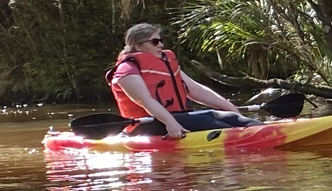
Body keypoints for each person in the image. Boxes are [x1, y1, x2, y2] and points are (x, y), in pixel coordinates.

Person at [106, 24, 251, 138]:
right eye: (155, 42)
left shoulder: (166, 62)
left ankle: (261, 130)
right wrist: (170, 122)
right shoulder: (127, 69)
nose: (161, 45)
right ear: (138, 46)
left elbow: (195, 90)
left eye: (161, 41)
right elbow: (144, 100)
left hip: (179, 116)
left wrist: (230, 107)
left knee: (233, 118)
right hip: (149, 123)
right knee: (213, 124)